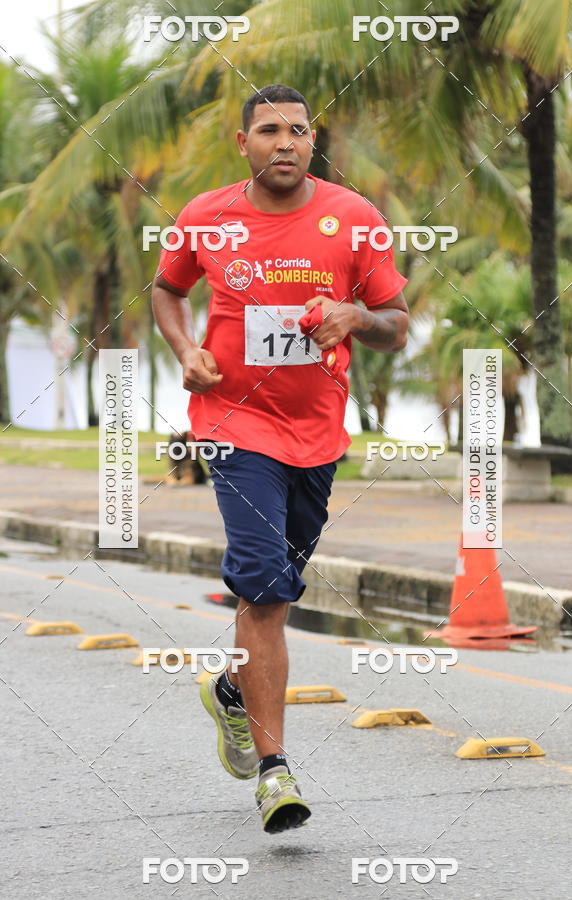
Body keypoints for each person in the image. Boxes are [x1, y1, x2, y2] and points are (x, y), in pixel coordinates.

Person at [151, 83, 409, 834]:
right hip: (232, 423)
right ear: (245, 144)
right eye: (269, 130)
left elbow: (397, 324)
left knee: (276, 590)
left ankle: (233, 692)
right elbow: (166, 290)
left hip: (317, 433)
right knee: (264, 587)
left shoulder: (354, 218)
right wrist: (185, 348)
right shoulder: (206, 216)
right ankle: (275, 772)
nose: (286, 142)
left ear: (312, 141)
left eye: (298, 130)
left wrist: (354, 315)